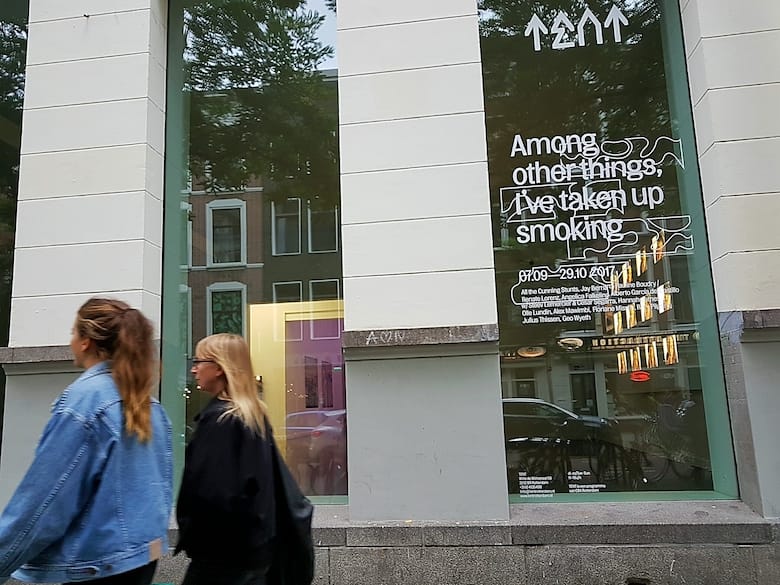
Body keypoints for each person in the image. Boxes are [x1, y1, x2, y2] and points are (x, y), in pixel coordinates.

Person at [0, 298, 173, 585]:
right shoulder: (149, 405)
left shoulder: (85, 402)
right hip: (140, 559)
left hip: (96, 565)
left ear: (85, 342)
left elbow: (45, 501)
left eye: (73, 332)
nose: (70, 340)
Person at [176, 333, 275, 585]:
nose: (194, 369)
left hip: (220, 555)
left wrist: (192, 534)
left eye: (199, 362)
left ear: (219, 368)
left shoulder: (221, 421)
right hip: (248, 551)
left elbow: (213, 492)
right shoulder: (253, 415)